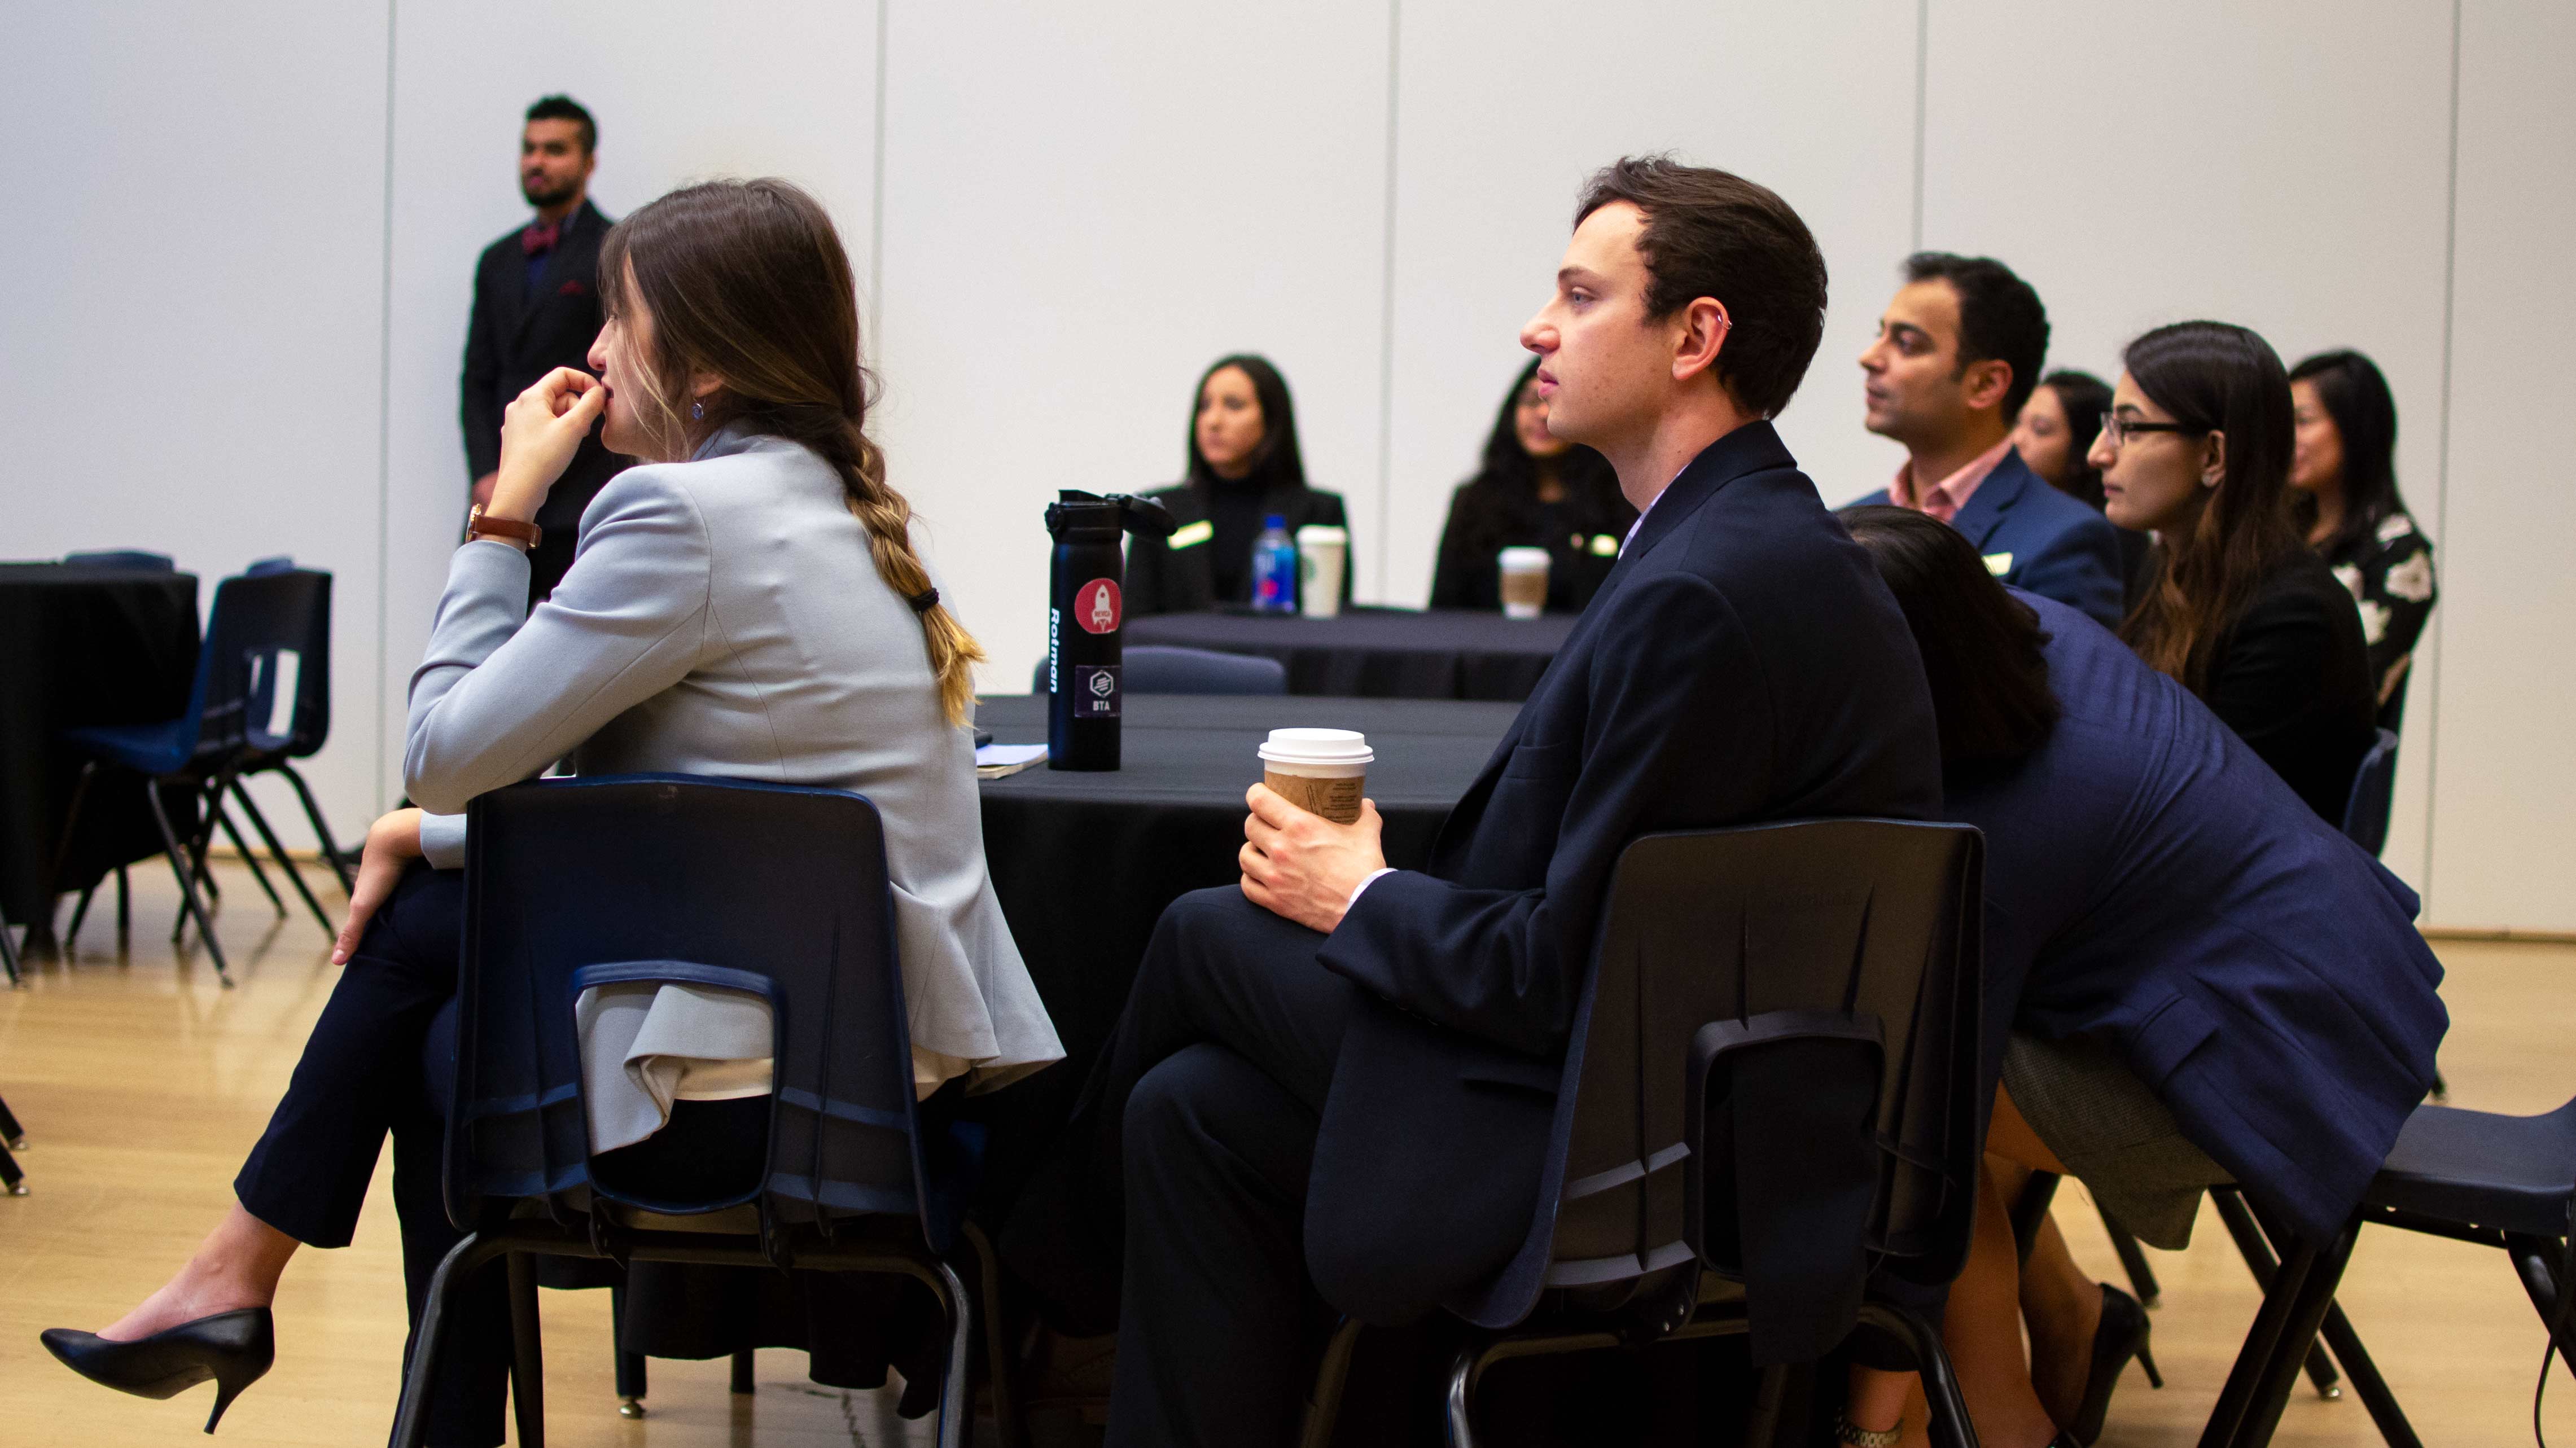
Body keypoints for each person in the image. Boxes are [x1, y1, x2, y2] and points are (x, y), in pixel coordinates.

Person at [42, 178, 1062, 1444]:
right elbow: (687, 821)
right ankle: (244, 1282)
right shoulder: (844, 515)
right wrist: (433, 834)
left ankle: (254, 1286)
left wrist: (504, 511)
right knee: (439, 1002)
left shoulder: (675, 516)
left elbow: (441, 754)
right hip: (883, 1090)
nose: (588, 353)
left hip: (758, 1108)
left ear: (701, 359)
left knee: (439, 1000)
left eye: (615, 319)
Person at [1001, 156, 1941, 1448]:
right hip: (1695, 1093)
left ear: (1695, 335)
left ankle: (1032, 1274)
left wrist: (1365, 892)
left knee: (1207, 930)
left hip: (1630, 1133)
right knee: (1191, 1112)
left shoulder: (1703, 593)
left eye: (1577, 292)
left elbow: (1563, 972)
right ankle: (1064, 1291)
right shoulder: (1752, 543)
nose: (1535, 328)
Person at [1841, 506, 2444, 1448]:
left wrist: (1861, 1422)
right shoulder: (2032, 628)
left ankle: (1996, 1425)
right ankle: (2061, 1327)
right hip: (2328, 985)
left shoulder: (2005, 838)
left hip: (2272, 1073)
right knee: (1929, 1080)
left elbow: (1932, 1119)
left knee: (1885, 1104)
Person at [2089, 322, 2377, 822]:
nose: (2099, 453)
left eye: (2129, 429)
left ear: (2214, 456)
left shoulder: (2294, 616)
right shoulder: (2166, 563)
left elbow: (2209, 819)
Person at [1854, 253, 2126, 629]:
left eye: (1906, 343)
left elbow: (2059, 685)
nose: (1869, 358)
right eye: (1879, 336)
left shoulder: (2065, 538)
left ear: (1986, 384)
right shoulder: (1842, 525)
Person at [460, 95, 627, 604]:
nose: (537, 162)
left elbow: (618, 371)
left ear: (589, 162)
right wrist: (488, 471)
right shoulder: (498, 259)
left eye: (555, 150)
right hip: (507, 483)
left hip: (583, 490)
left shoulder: (615, 248)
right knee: (485, 625)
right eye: (529, 149)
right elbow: (478, 378)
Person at [1122, 355, 1352, 613]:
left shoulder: (1318, 513)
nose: (1213, 421)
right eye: (1204, 406)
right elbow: (1135, 625)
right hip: (1181, 653)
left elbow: (1330, 626)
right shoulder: (1160, 512)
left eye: (1234, 406)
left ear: (1271, 419)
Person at [2289, 349, 2438, 731]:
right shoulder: (2279, 533)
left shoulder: (2400, 553)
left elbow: (2354, 699)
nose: (2287, 439)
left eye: (2303, 422)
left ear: (2355, 429)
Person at [1427, 357, 1636, 611]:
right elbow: (1443, 609)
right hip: (1488, 648)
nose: (1542, 414)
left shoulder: (1616, 500)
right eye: (1531, 401)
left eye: (1554, 401)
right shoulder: (1476, 500)